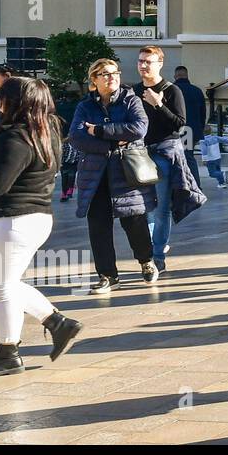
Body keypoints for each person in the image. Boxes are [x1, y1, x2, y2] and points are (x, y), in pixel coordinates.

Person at [0, 77, 84, 377]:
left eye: (1, 97)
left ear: (12, 102)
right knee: (6, 283)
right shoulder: (46, 131)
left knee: (1, 286)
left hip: (10, 219)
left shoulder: (15, 137)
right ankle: (56, 324)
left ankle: (8, 351)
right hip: (32, 218)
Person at [70, 58, 159, 293]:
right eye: (106, 74)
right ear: (94, 80)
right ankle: (107, 275)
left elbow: (139, 128)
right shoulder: (85, 106)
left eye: (115, 73)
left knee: (134, 220)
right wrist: (111, 145)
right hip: (95, 174)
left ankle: (146, 260)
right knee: (98, 225)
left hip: (126, 171)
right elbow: (78, 137)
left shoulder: (130, 100)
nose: (112, 78)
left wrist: (99, 130)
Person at [134, 46, 189, 274]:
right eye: (140, 61)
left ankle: (156, 256)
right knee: (142, 207)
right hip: (138, 154)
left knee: (161, 208)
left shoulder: (172, 90)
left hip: (164, 152)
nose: (143, 65)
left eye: (148, 61)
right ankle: (148, 253)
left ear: (160, 64)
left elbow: (179, 124)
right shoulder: (133, 90)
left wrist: (158, 104)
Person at [173, 66, 208, 185]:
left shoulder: (171, 89)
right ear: (187, 75)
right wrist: (200, 129)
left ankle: (190, 185)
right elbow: (202, 113)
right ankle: (194, 184)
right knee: (188, 156)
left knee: (181, 157)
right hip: (192, 130)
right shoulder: (197, 91)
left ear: (175, 76)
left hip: (177, 130)